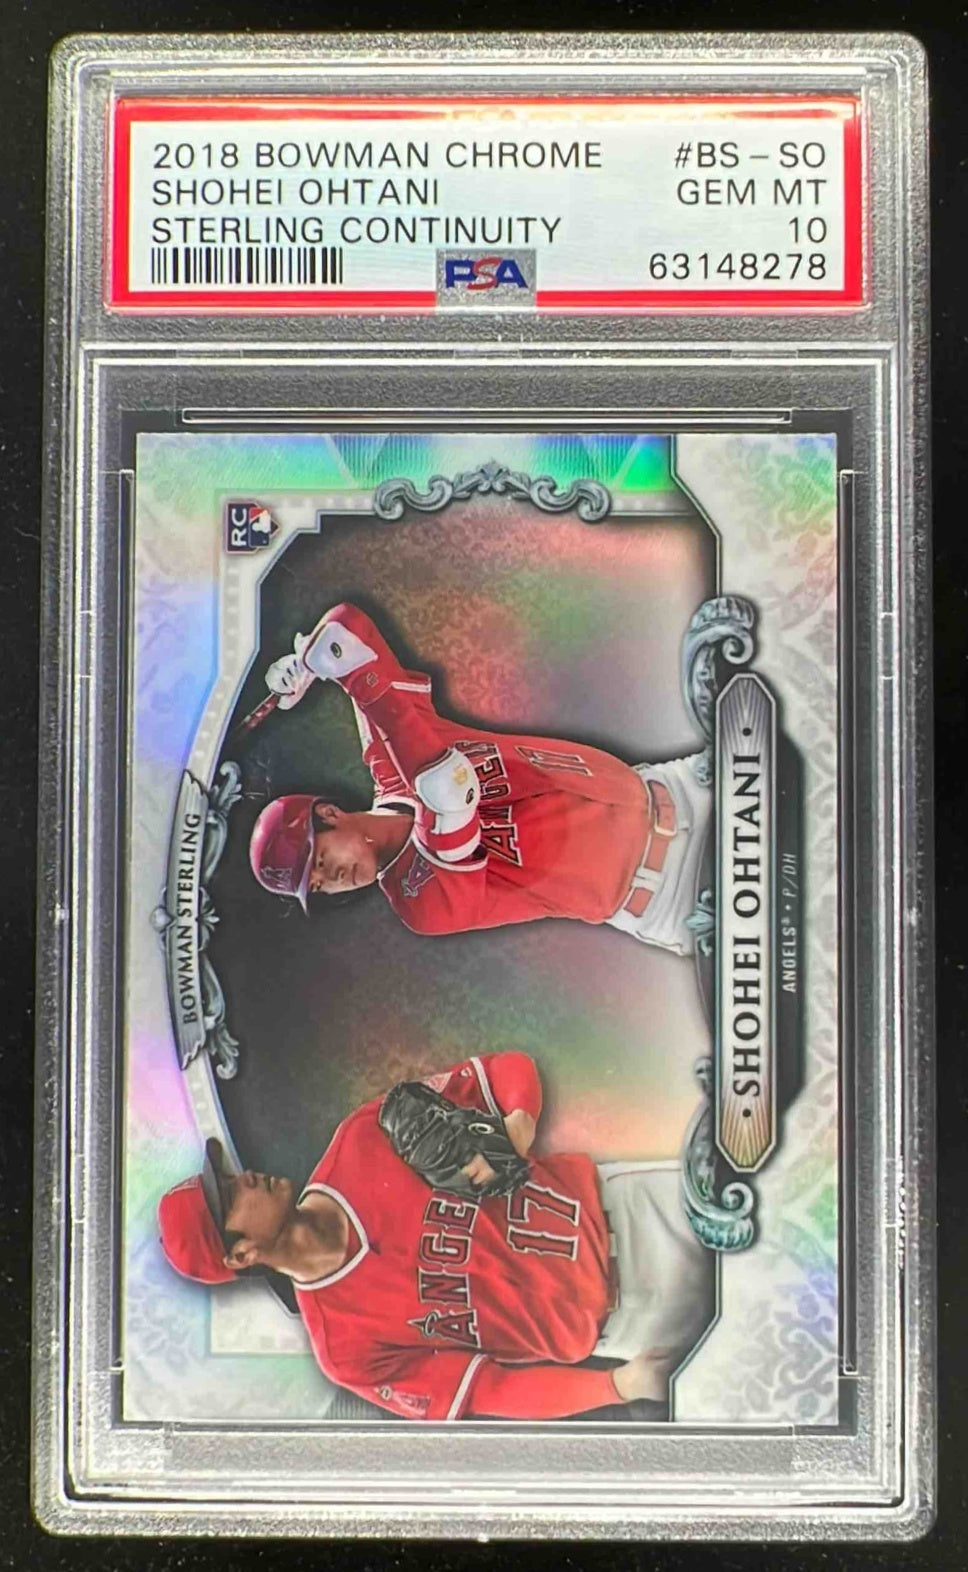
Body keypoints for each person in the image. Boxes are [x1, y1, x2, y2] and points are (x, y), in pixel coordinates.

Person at [158, 1052, 713, 1421]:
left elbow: (505, 1068)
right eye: (230, 1196)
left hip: (634, 1208)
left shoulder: (361, 1140)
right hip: (631, 1324)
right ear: (242, 1254)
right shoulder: (347, 1351)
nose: (243, 1178)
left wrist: (516, 1125)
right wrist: (618, 1387)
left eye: (227, 1175)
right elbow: (489, 1390)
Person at [248, 603, 710, 956]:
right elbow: (448, 793)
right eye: (319, 886)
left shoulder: (386, 762)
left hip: (683, 786)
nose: (332, 879)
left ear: (330, 814)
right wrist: (357, 682)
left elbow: (349, 625)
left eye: (319, 859)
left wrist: (309, 662)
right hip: (678, 895)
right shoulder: (417, 901)